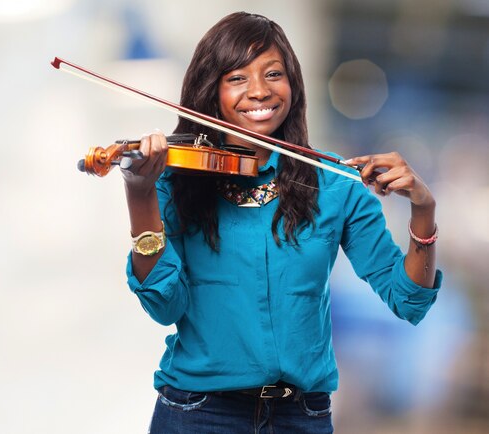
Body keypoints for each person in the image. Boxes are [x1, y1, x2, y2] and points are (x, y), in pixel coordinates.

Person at [121, 11, 442, 434]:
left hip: (301, 418)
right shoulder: (175, 181)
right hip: (199, 415)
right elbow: (165, 305)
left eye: (273, 74)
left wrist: (424, 208)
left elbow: (409, 300)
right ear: (211, 90)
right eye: (237, 77)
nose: (259, 91)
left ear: (293, 83)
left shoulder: (335, 185)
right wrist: (139, 194)